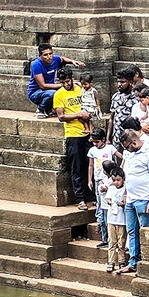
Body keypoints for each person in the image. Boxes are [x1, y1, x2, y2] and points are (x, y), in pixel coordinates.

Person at [118, 128, 149, 273]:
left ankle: (147, 261)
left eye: (127, 146)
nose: (126, 150)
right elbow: (127, 175)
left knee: (145, 230)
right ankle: (133, 262)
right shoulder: (128, 153)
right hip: (130, 198)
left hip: (144, 199)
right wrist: (124, 194)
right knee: (132, 231)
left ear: (135, 142)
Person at [53, 68, 94, 211]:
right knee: (76, 167)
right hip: (72, 134)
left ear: (72, 78)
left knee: (91, 164)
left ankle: (92, 196)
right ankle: (80, 199)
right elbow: (61, 116)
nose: (66, 84)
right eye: (63, 82)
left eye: (67, 81)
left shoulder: (81, 88)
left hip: (87, 133)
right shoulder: (59, 95)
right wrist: (79, 115)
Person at [27, 42, 84, 118]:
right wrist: (62, 85)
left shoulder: (54, 59)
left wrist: (73, 61)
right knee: (53, 93)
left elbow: (62, 59)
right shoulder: (36, 64)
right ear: (40, 56)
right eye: (45, 55)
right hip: (36, 93)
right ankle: (40, 109)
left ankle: (50, 110)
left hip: (50, 89)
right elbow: (43, 86)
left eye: (50, 54)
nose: (49, 57)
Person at [87, 127, 117, 248]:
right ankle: (104, 234)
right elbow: (90, 165)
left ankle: (108, 236)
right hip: (99, 179)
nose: (95, 144)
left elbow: (121, 156)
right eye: (93, 142)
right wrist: (90, 179)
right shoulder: (92, 150)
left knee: (106, 208)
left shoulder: (110, 148)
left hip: (111, 179)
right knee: (100, 205)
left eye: (97, 142)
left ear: (103, 139)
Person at [104, 167, 128, 272]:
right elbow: (108, 199)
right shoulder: (111, 188)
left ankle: (122, 261)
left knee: (121, 242)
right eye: (114, 180)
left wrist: (122, 203)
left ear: (123, 179)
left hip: (121, 220)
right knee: (112, 241)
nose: (116, 182)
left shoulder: (126, 189)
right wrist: (111, 202)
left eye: (118, 180)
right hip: (111, 219)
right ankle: (111, 261)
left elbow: (126, 200)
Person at [108, 67, 138, 151]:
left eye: (122, 82)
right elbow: (111, 118)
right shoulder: (115, 97)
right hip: (117, 139)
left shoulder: (137, 99)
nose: (119, 85)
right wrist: (108, 138)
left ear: (131, 82)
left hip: (132, 140)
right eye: (118, 82)